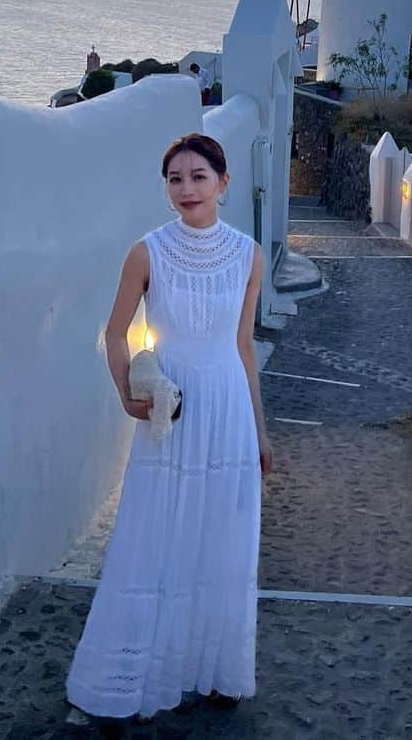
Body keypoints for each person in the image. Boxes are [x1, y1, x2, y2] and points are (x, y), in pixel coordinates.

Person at [66, 133, 272, 722]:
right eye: (176, 178)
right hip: (173, 412)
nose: (186, 188)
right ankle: (128, 677)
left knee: (222, 540)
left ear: (224, 182)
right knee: (153, 533)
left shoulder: (249, 254)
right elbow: (113, 333)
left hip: (228, 410)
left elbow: (242, 345)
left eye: (199, 176)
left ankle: (216, 671)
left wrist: (259, 431)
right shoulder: (146, 252)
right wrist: (129, 393)